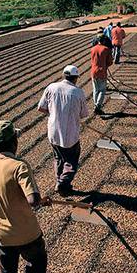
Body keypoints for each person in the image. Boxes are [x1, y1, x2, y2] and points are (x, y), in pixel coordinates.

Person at [0, 120, 51, 273]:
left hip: (1, 232)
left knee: (8, 271)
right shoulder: (19, 167)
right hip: (25, 232)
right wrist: (42, 200)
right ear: (14, 141)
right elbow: (32, 200)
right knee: (36, 262)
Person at [38, 65, 89, 197]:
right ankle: (63, 182)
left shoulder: (51, 87)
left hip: (53, 132)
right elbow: (84, 114)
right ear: (76, 78)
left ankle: (59, 181)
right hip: (70, 135)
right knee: (71, 160)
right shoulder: (78, 92)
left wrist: (55, 113)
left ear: (63, 76)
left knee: (58, 158)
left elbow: (41, 108)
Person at [91, 35, 113, 115]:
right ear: (103, 41)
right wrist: (105, 65)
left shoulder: (92, 49)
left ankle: (95, 105)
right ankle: (98, 106)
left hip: (93, 72)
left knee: (95, 90)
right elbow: (110, 62)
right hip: (102, 72)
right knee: (102, 90)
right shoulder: (106, 49)